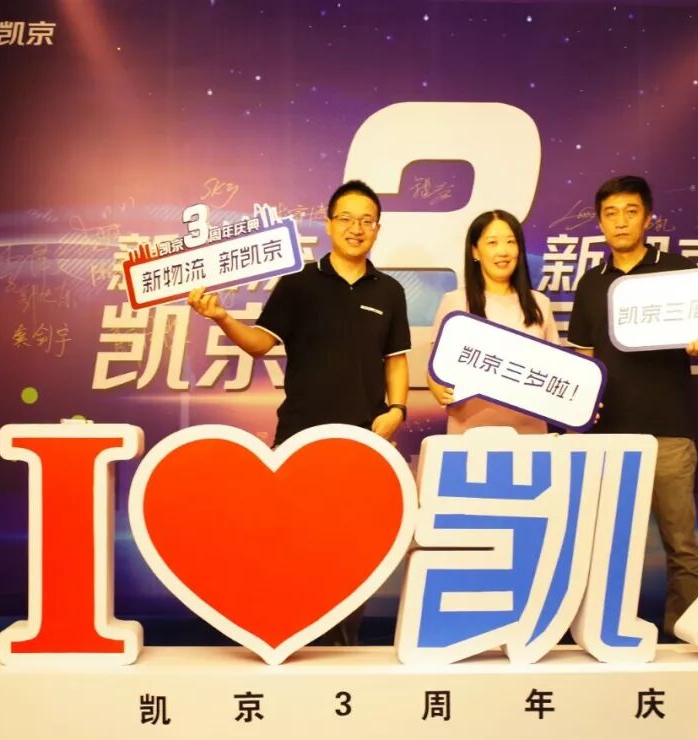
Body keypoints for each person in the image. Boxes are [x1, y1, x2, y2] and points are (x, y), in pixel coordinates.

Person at [188, 179, 411, 645]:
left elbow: (396, 360)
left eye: (366, 220)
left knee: (352, 556)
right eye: (346, 218)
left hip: (363, 442)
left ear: (377, 228)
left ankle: (342, 649)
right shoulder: (298, 285)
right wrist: (222, 317)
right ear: (328, 224)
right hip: (300, 439)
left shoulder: (390, 291)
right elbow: (259, 344)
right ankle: (291, 643)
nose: (356, 228)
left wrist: (397, 409)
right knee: (293, 550)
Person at [566, 175, 698, 639]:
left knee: (681, 546)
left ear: (648, 218)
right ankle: (607, 632)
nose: (620, 222)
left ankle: (687, 639)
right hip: (609, 436)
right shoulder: (591, 283)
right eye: (610, 214)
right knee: (608, 546)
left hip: (668, 429)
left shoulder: (678, 271)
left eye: (630, 212)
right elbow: (583, 358)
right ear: (599, 222)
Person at [427, 210, 560, 434]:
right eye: (492, 242)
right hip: (470, 432)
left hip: (531, 435)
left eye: (510, 241)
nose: (503, 251)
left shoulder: (540, 303)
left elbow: (558, 370)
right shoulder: (455, 302)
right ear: (475, 251)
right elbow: (435, 369)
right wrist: (438, 388)